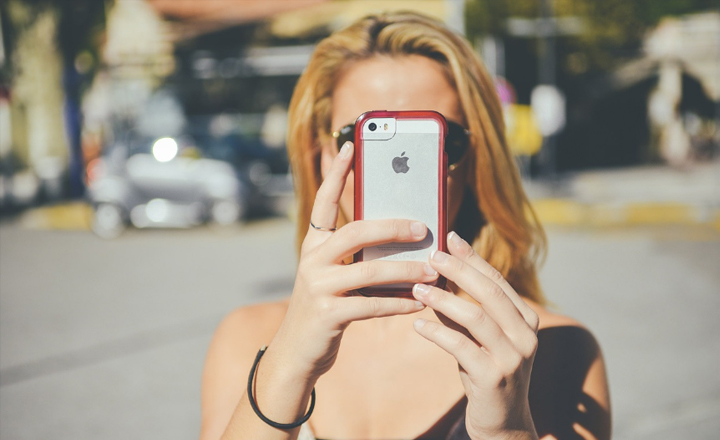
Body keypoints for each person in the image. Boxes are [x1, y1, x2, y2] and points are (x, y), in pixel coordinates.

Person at [200, 11, 610, 440]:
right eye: (362, 138)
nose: (402, 171)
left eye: (436, 141)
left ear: (476, 160)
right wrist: (288, 368)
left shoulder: (546, 348)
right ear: (320, 154)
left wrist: (507, 428)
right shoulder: (249, 337)